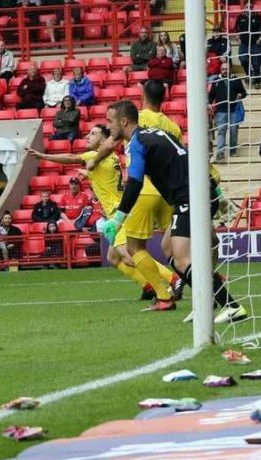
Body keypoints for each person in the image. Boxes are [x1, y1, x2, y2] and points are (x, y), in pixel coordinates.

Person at [101, 100, 247, 323]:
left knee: (181, 259)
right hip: (197, 193)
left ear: (123, 121)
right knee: (167, 247)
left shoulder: (137, 143)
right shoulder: (157, 133)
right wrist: (217, 192)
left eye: (110, 121)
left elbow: (135, 183)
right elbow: (190, 159)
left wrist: (118, 220)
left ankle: (231, 306)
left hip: (190, 197)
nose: (107, 126)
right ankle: (205, 304)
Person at [80, 80, 184, 304]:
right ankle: (203, 281)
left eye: (110, 122)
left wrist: (94, 161)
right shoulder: (172, 125)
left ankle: (166, 290)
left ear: (143, 97)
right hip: (168, 192)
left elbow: (110, 145)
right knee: (173, 246)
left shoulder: (135, 121)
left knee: (133, 248)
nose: (109, 126)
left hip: (143, 192)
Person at [208, 62, 247, 161]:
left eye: (227, 69)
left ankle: (233, 151)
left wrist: (240, 95)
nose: (225, 71)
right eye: (223, 69)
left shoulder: (236, 79)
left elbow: (244, 92)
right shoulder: (216, 81)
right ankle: (220, 153)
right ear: (220, 70)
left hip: (234, 110)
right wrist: (209, 104)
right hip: (221, 111)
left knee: (234, 131)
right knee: (221, 132)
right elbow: (211, 95)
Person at [234, 0, 261, 89]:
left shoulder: (258, 17)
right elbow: (236, 30)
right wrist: (238, 39)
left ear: (253, 7)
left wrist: (260, 40)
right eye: (247, 7)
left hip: (255, 45)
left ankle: (257, 82)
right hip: (244, 45)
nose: (249, 8)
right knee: (243, 60)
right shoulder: (240, 17)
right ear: (244, 7)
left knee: (256, 64)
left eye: (251, 7)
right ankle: (249, 74)